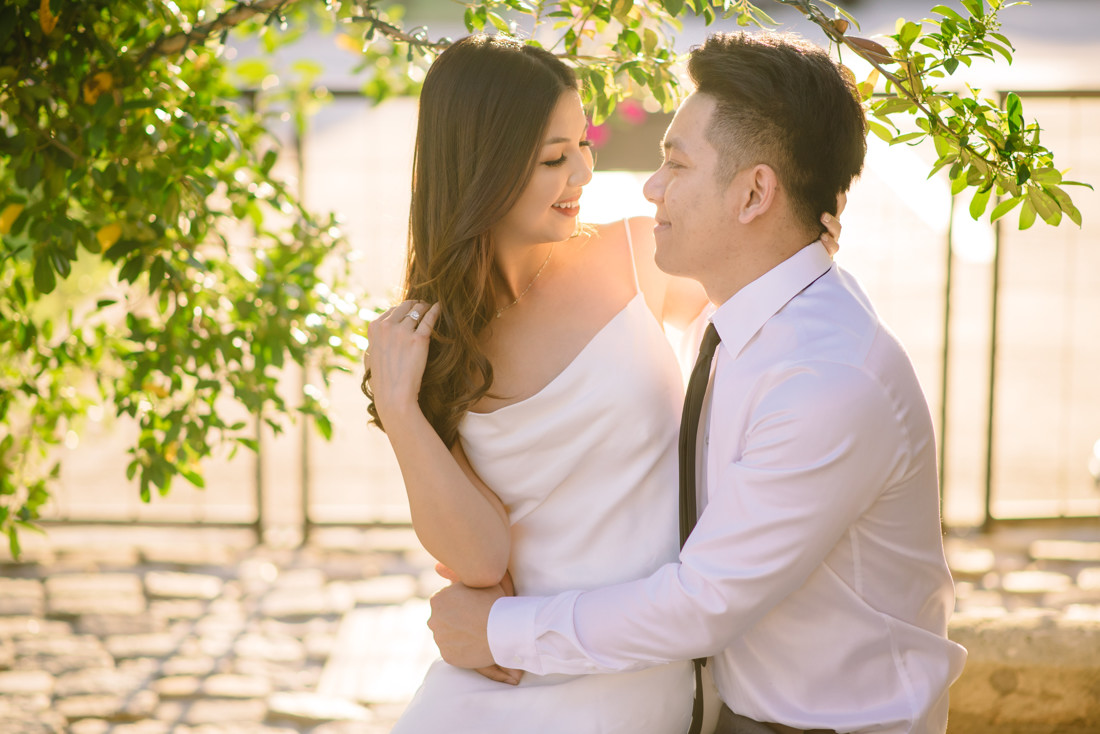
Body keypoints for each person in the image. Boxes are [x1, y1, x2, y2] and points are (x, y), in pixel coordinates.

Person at [427, 31, 968, 734]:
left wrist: (499, 632)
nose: (650, 187)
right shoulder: (744, 310)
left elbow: (702, 602)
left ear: (753, 193)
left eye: (675, 165)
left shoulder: (826, 381)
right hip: (718, 710)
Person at [363, 33, 844, 733]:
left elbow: (767, 281)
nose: (584, 173)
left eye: (582, 145)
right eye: (555, 159)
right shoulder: (439, 345)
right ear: (482, 169)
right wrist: (401, 410)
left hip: (631, 662)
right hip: (508, 661)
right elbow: (479, 556)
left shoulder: (633, 253)